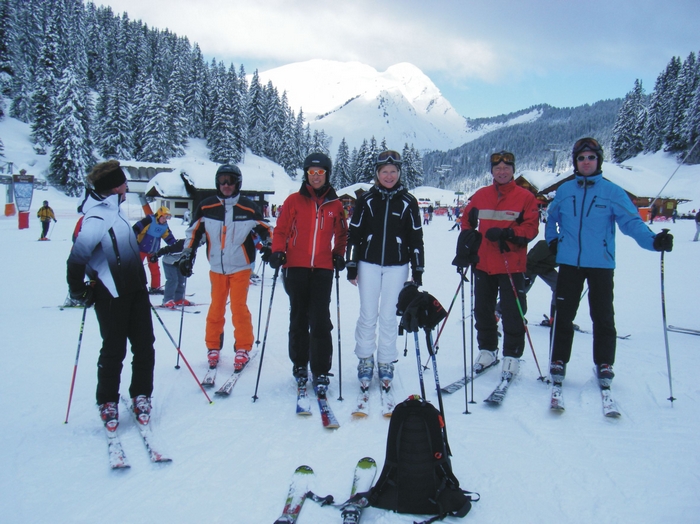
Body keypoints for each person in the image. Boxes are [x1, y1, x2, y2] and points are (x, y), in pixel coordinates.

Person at [545, 137, 673, 393]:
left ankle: (604, 363)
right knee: (563, 314)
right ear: (575, 162)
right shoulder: (565, 190)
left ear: (599, 160)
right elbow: (551, 218)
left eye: (591, 157)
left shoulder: (612, 192)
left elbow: (632, 223)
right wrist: (553, 242)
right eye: (581, 158)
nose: (586, 162)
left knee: (602, 315)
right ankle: (558, 359)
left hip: (601, 264)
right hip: (570, 262)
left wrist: (654, 241)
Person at [66, 160, 156, 432]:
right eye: (124, 182)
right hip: (110, 294)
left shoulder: (113, 210)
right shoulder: (97, 216)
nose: (127, 186)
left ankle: (141, 394)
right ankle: (107, 400)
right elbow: (76, 259)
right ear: (115, 187)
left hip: (135, 291)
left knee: (144, 344)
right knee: (115, 348)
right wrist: (78, 289)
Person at [452, 150, 539, 382]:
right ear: (492, 171)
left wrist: (509, 233)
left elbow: (531, 229)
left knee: (512, 312)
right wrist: (468, 245)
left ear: (513, 170)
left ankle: (512, 355)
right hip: (483, 263)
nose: (502, 171)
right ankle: (488, 350)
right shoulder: (481, 196)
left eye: (506, 168)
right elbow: (466, 223)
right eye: (497, 168)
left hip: (512, 264)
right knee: (482, 310)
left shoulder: (525, 197)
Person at [267, 152, 347, 394]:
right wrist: (278, 251)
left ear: (327, 174)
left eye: (320, 172)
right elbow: (280, 230)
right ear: (306, 174)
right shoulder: (293, 201)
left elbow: (342, 234)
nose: (315, 177)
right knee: (299, 317)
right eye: (311, 172)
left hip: (323, 268)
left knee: (320, 320)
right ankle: (300, 364)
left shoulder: (336, 205)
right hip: (296, 267)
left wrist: (339, 253)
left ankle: (321, 368)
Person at [179, 164, 271, 373]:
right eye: (222, 180)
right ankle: (213, 346)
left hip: (241, 266)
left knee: (238, 308)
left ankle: (243, 347)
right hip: (216, 267)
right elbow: (193, 232)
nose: (226, 185)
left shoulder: (247, 207)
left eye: (230, 180)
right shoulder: (207, 206)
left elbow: (266, 229)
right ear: (217, 182)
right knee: (216, 308)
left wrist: (269, 245)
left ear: (238, 183)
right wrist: (187, 254)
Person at [346, 150, 424, 392]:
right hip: (368, 264)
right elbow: (354, 234)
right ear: (377, 174)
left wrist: (417, 268)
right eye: (384, 172)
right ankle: (366, 359)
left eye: (393, 171)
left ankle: (386, 361)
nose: (389, 176)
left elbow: (416, 237)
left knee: (389, 316)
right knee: (368, 314)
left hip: (397, 266)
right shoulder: (366, 200)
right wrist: (351, 264)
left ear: (399, 173)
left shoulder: (409, 202)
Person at [133, 206, 177, 294]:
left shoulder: (164, 226)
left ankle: (155, 287)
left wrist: (175, 246)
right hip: (140, 249)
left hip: (153, 251)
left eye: (166, 219)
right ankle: (133, 287)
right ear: (159, 215)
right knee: (135, 269)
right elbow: (135, 229)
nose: (164, 220)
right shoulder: (149, 220)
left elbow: (168, 237)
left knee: (155, 270)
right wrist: (132, 241)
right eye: (163, 218)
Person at [155, 238, 191, 308]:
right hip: (169, 262)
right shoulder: (180, 245)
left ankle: (178, 298)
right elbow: (166, 249)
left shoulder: (192, 247)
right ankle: (167, 300)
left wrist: (188, 268)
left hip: (179, 263)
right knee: (173, 280)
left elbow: (190, 258)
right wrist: (156, 255)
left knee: (181, 279)